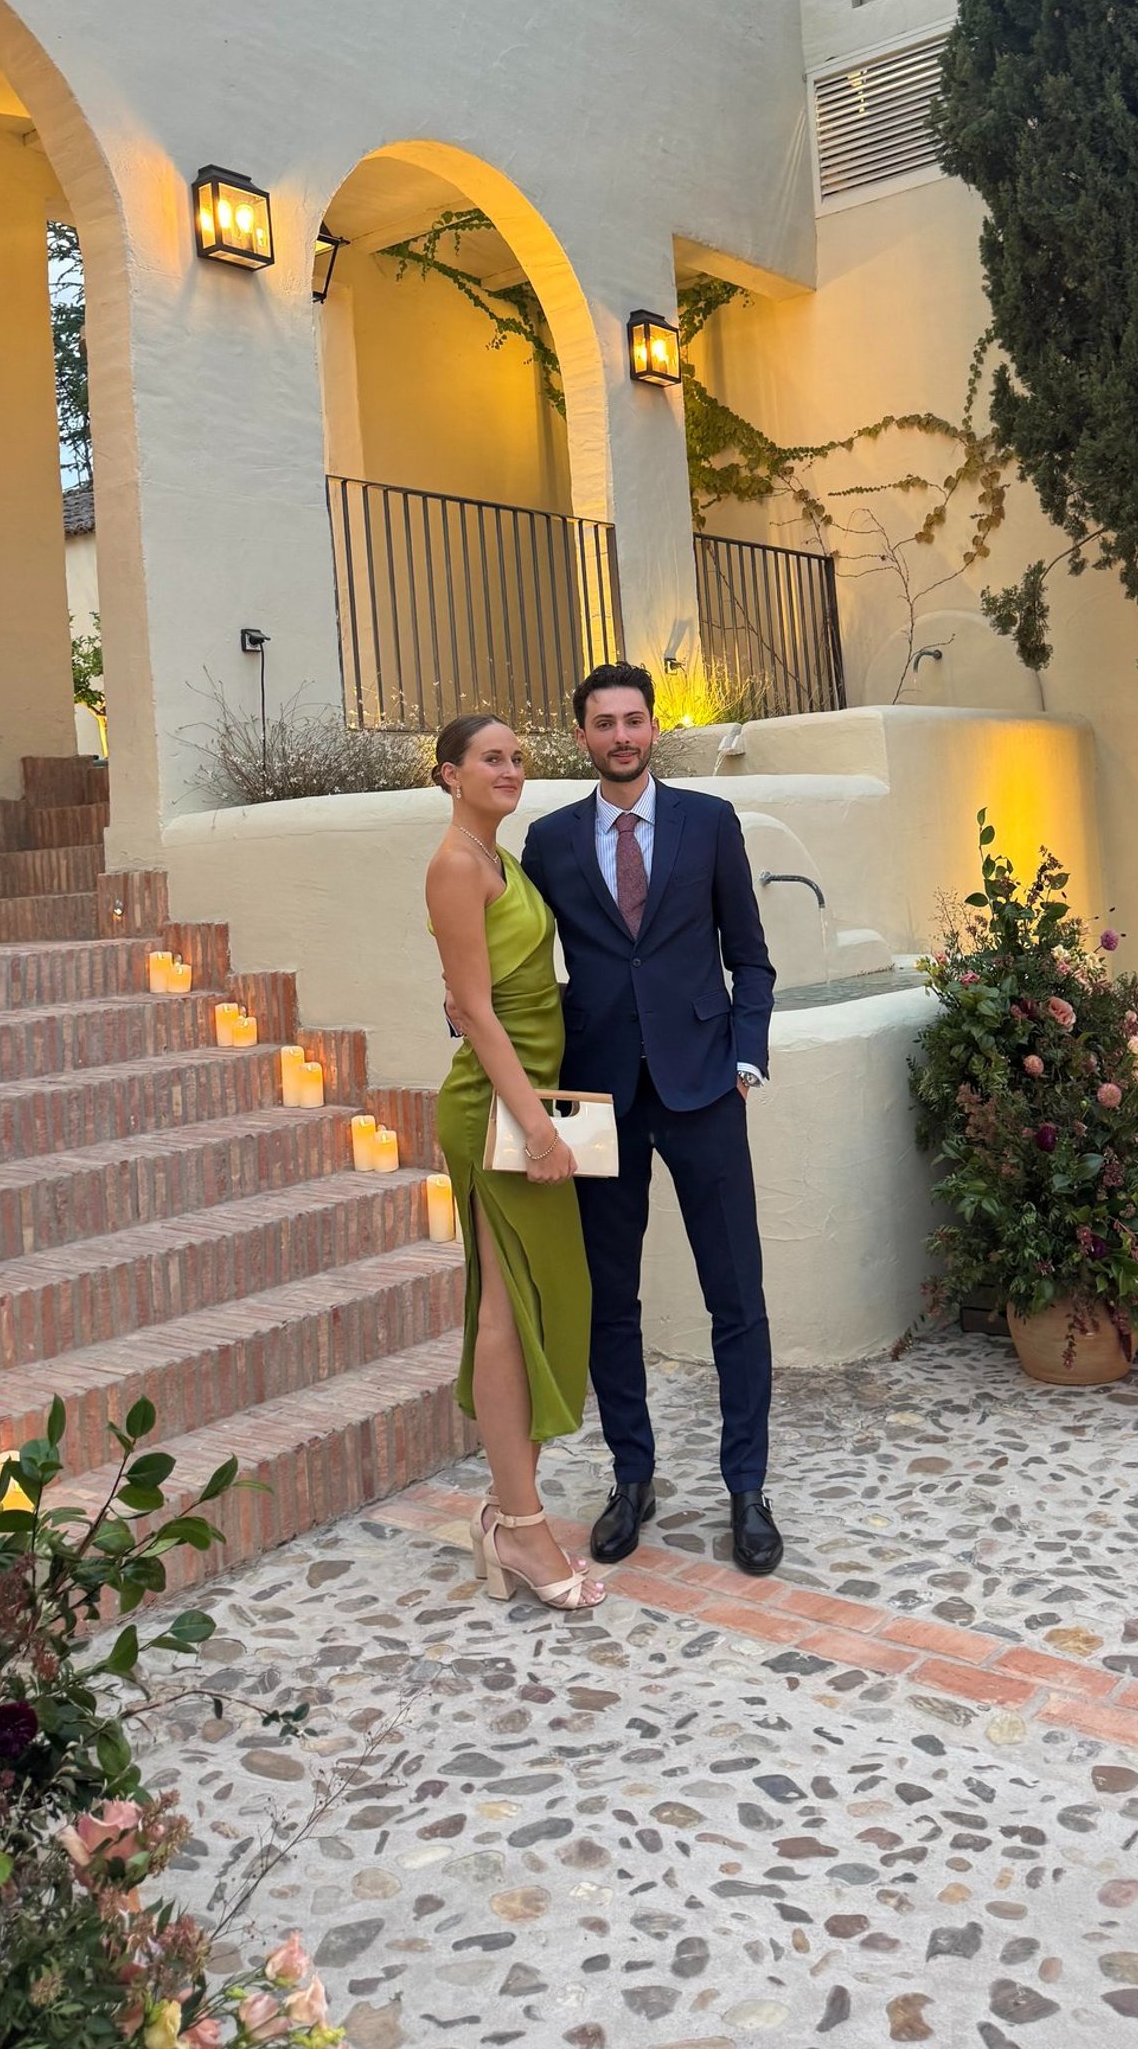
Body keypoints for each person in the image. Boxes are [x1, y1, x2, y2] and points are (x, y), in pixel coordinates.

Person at [519, 661, 783, 1576]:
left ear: (653, 726)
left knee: (735, 1295)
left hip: (706, 1085)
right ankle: (632, 1478)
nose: (622, 736)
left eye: (634, 720)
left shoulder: (710, 824)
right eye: (604, 723)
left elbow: (751, 958)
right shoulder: (548, 842)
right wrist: (476, 1004)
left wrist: (746, 1057)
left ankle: (746, 1486)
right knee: (607, 1300)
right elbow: (524, 960)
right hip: (597, 1098)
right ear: (582, 736)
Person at [426, 713, 604, 1611]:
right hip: (498, 1113)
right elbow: (476, 1011)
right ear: (449, 774)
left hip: (529, 1103)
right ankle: (524, 1533)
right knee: (506, 1308)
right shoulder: (455, 864)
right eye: (490, 759)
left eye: (517, 758)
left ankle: (512, 1514)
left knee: (546, 1304)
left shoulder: (500, 860)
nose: (509, 769)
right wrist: (535, 1126)